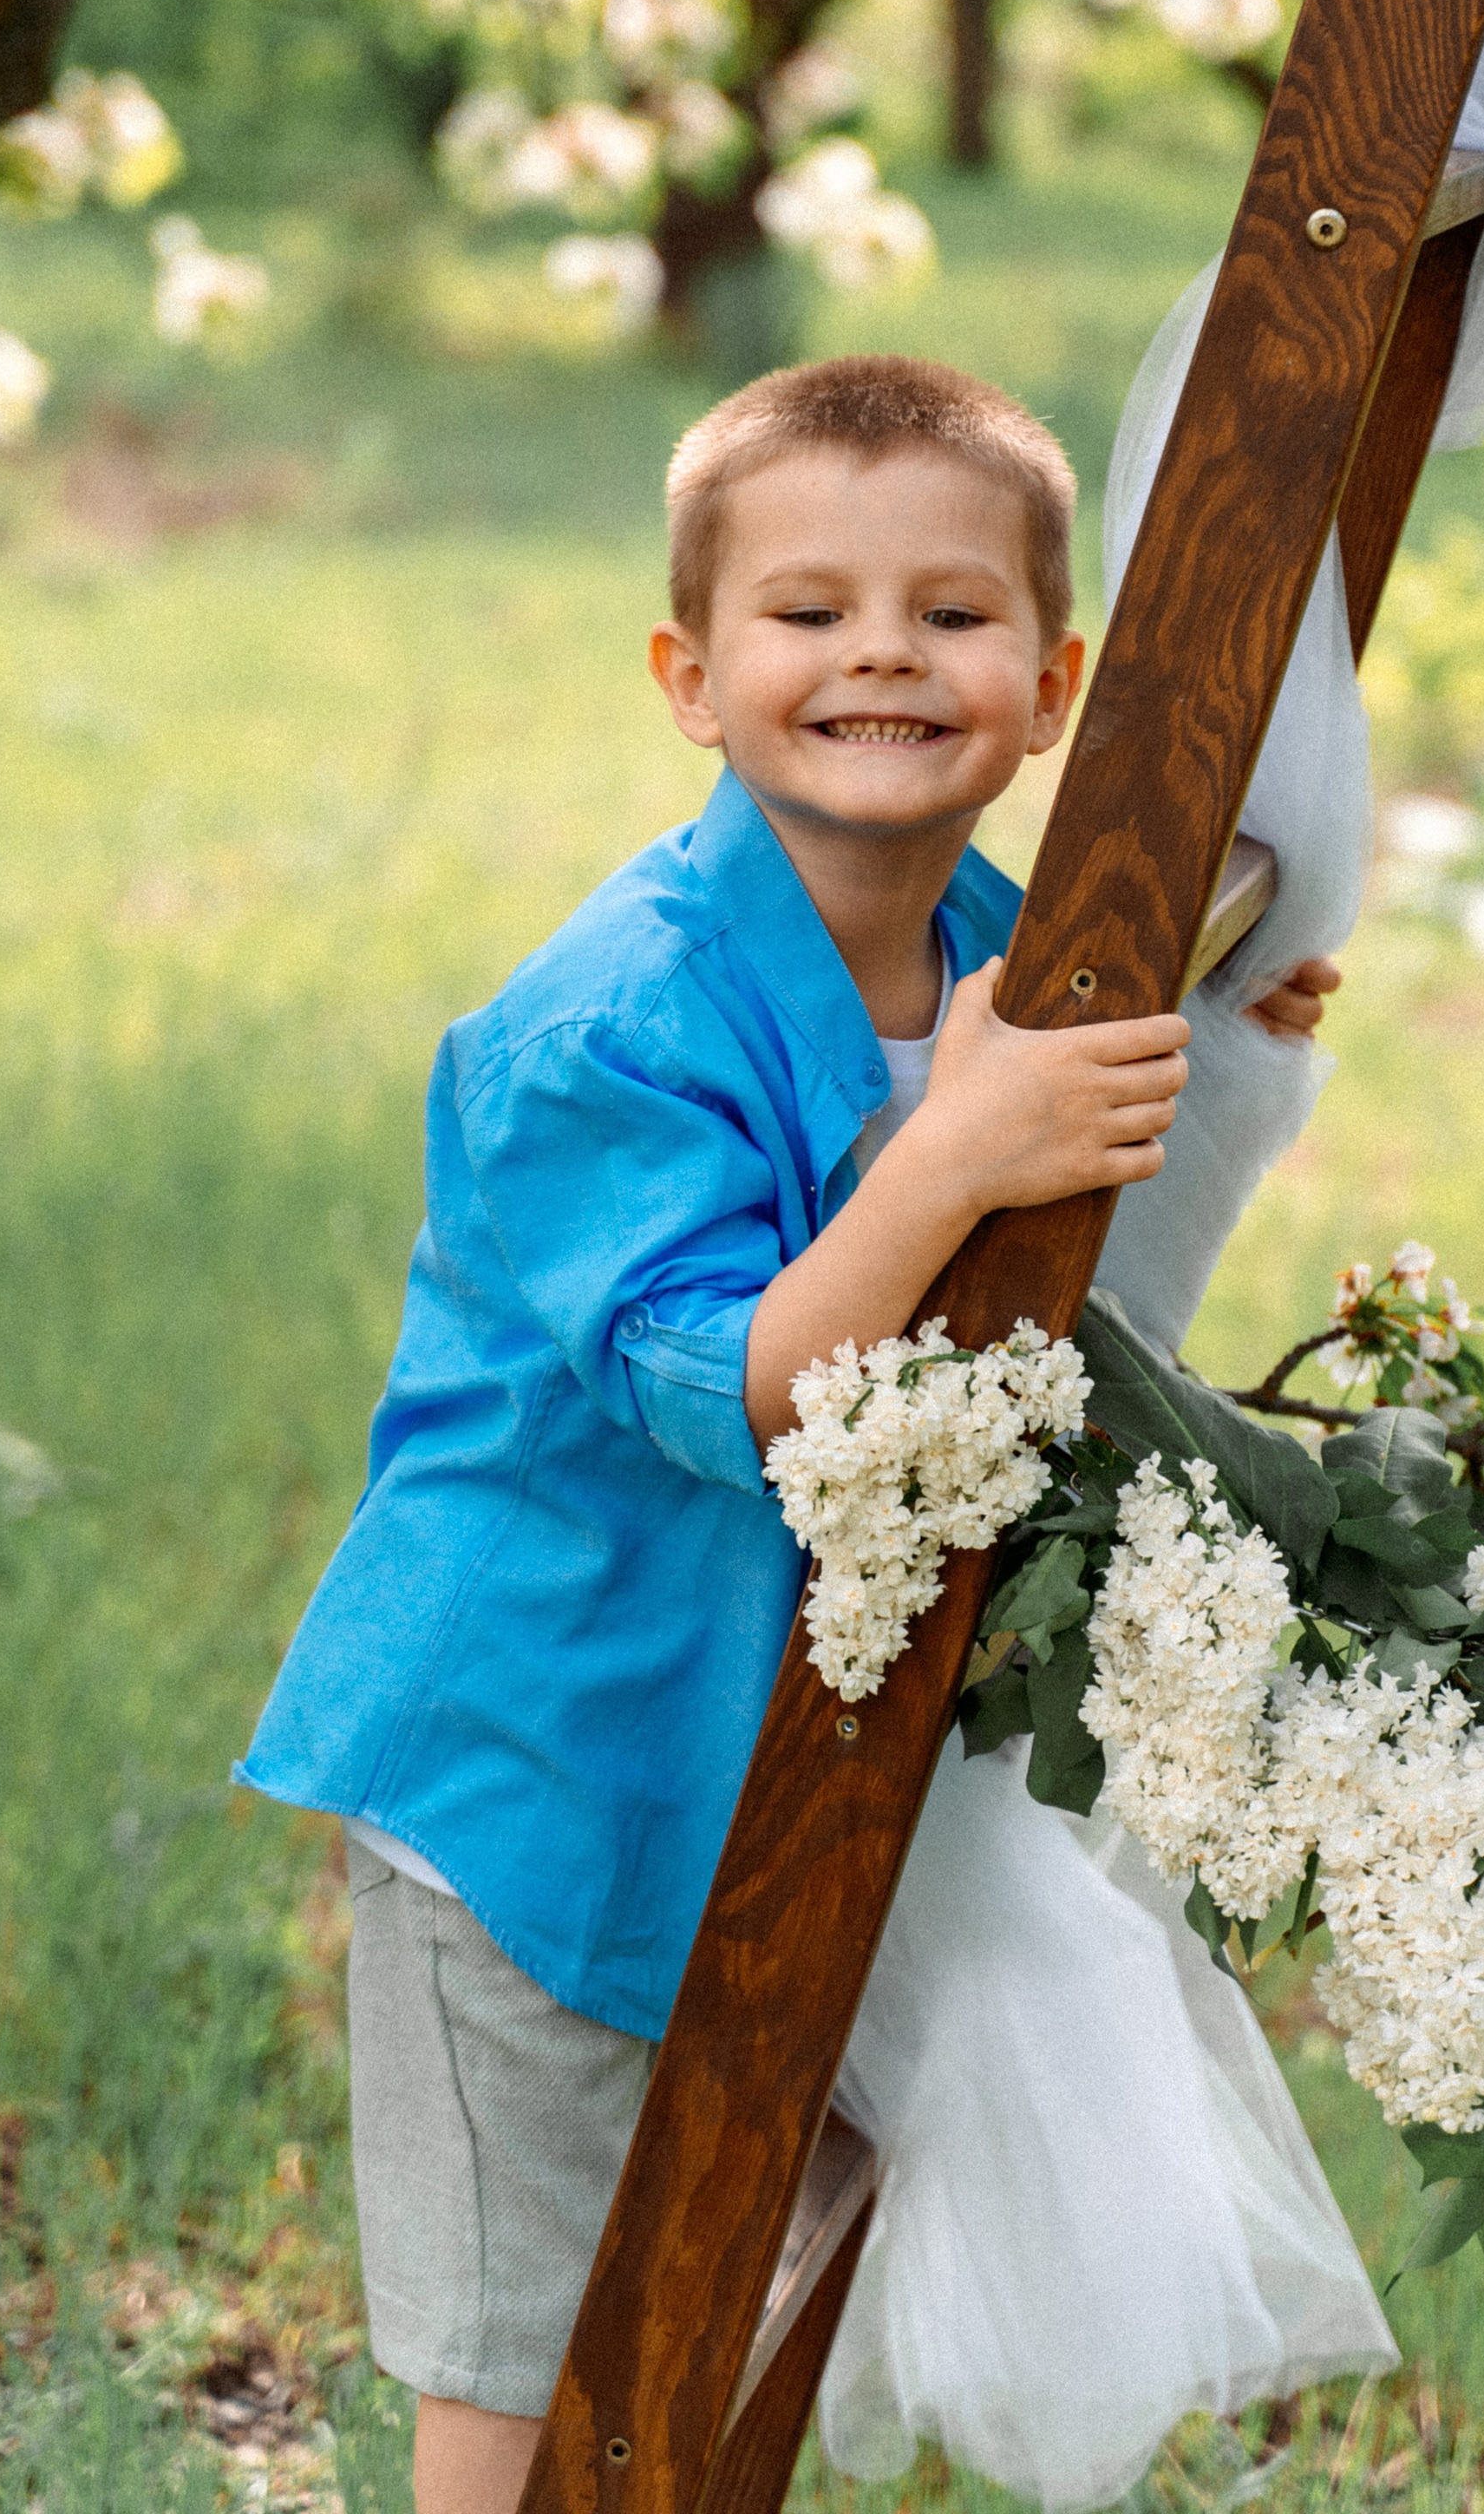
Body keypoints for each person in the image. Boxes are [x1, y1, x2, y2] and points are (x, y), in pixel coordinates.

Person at [237, 354, 1354, 2514]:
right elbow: (740, 1397)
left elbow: (1058, 1110)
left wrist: (1215, 1010)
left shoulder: (985, 950)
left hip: (777, 1762)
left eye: (949, 616)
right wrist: (953, 1153)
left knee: (748, 2264)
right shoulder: (601, 1028)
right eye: (807, 611)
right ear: (689, 674)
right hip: (539, 1773)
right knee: (535, 2349)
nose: (877, 655)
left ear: (1053, 685)